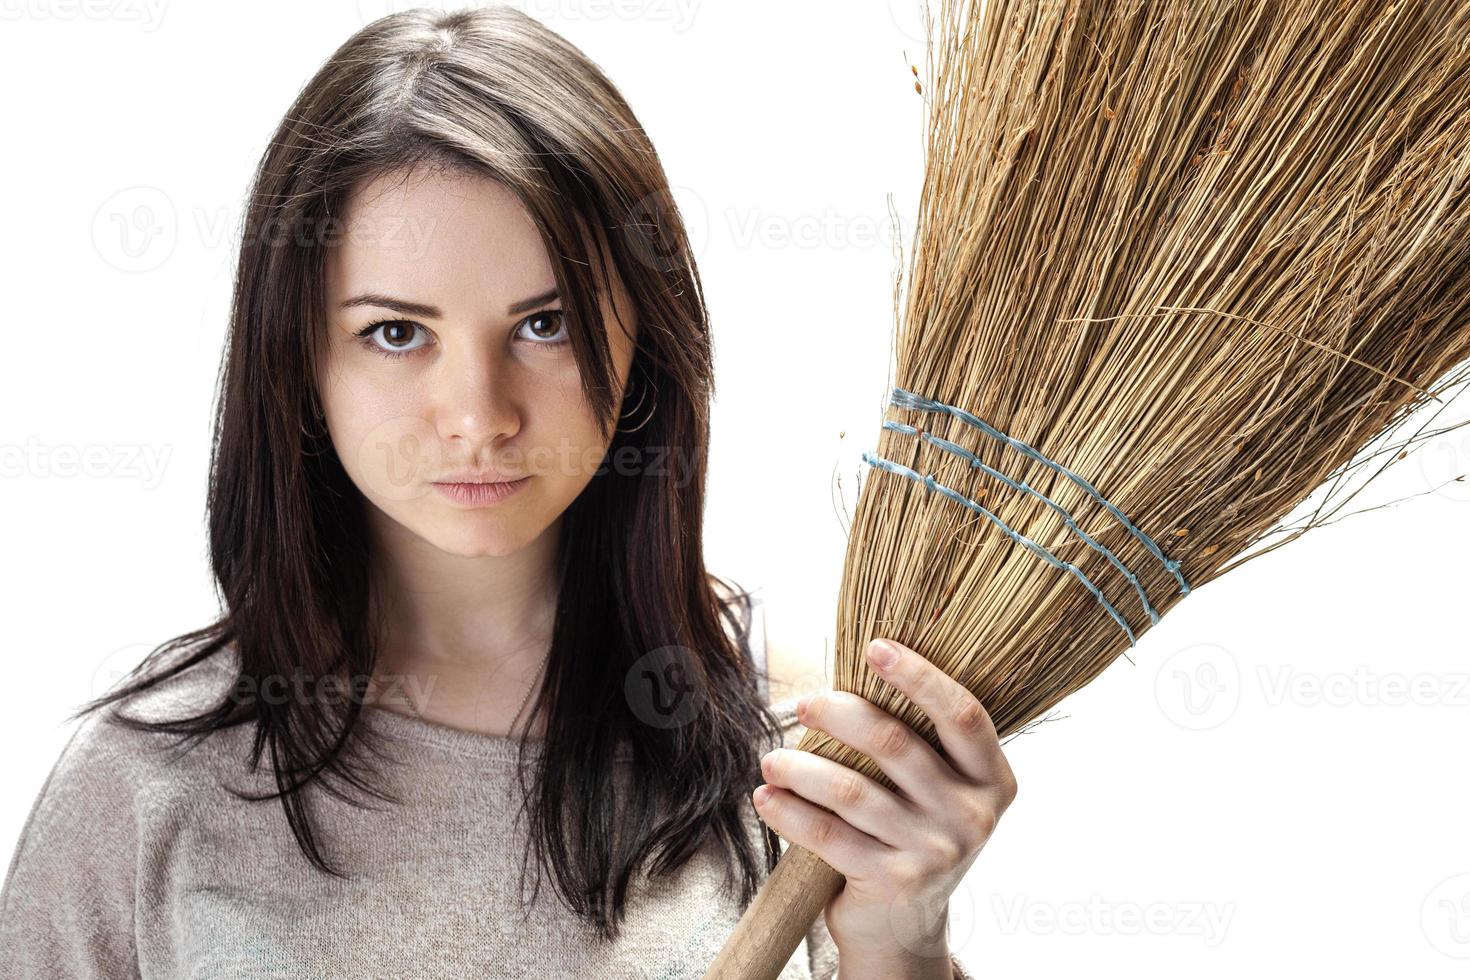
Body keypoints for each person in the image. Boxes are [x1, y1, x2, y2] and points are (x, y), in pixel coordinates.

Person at [0, 7, 1011, 976]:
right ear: (299, 360)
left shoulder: (803, 758)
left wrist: (898, 944)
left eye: (545, 323)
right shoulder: (141, 793)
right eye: (397, 332)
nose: (478, 413)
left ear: (644, 343)